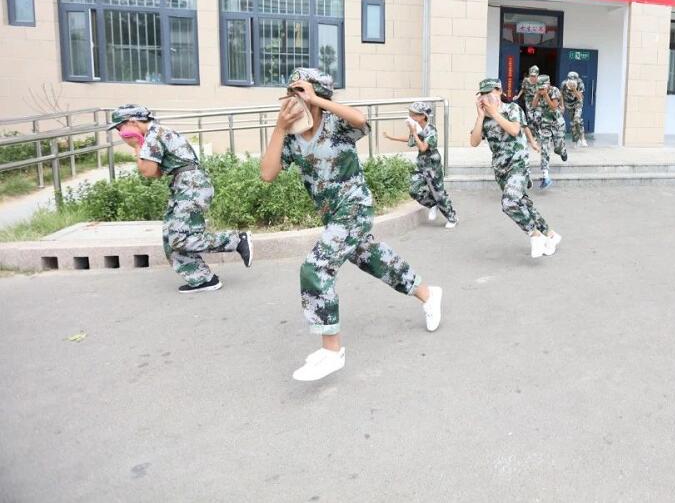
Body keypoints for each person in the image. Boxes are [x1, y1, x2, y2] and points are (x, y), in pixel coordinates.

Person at [260, 68, 442, 382]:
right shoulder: (291, 137)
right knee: (374, 259)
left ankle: (331, 351)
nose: (293, 101)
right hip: (333, 215)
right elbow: (267, 173)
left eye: (299, 94)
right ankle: (428, 293)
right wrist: (279, 127)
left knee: (315, 268)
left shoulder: (336, 124)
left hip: (355, 206)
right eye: (290, 94)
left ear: (316, 97)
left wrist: (317, 100)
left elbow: (361, 120)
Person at [109, 104, 252, 293]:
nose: (120, 133)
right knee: (170, 238)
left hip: (191, 186)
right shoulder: (157, 133)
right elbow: (157, 172)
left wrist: (136, 146)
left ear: (132, 122)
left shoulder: (153, 136)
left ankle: (236, 240)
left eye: (120, 127)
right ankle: (202, 279)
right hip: (186, 185)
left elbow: (148, 171)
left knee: (181, 238)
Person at [470, 78, 561, 258]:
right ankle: (551, 235)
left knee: (509, 202)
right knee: (523, 204)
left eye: (489, 92)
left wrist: (495, 113)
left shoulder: (512, 109)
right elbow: (474, 142)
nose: (486, 97)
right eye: (482, 94)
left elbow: (514, 130)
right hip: (501, 170)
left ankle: (535, 235)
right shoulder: (484, 118)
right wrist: (480, 117)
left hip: (518, 165)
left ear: (499, 91)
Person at [383, 101, 457, 229]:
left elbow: (423, 147)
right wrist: (391, 137)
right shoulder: (416, 128)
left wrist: (413, 132)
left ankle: (452, 217)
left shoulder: (431, 130)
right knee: (414, 190)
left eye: (414, 114)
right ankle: (432, 204)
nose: (411, 116)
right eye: (410, 114)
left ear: (423, 116)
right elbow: (411, 141)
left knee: (438, 194)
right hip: (422, 165)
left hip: (432, 166)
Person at [532, 74, 568, 189]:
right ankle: (546, 176)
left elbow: (553, 107)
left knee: (557, 148)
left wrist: (546, 95)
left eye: (543, 86)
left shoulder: (555, 91)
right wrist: (537, 95)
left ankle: (562, 151)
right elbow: (533, 105)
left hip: (557, 124)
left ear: (548, 84)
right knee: (545, 149)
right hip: (545, 125)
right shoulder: (539, 92)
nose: (542, 88)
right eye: (540, 86)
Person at [562, 71, 587, 147]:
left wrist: (574, 89)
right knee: (573, 123)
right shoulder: (564, 84)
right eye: (570, 79)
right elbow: (561, 95)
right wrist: (562, 105)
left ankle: (582, 138)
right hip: (568, 104)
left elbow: (580, 97)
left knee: (577, 119)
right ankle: (576, 140)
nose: (571, 81)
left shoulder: (580, 83)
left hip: (577, 103)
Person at [521, 65, 541, 131]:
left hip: (538, 100)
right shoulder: (526, 80)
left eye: (534, 75)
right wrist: (518, 96)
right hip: (528, 100)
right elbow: (523, 89)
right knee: (530, 118)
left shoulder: (541, 80)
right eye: (531, 75)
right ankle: (531, 133)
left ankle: (537, 132)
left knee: (537, 117)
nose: (533, 77)